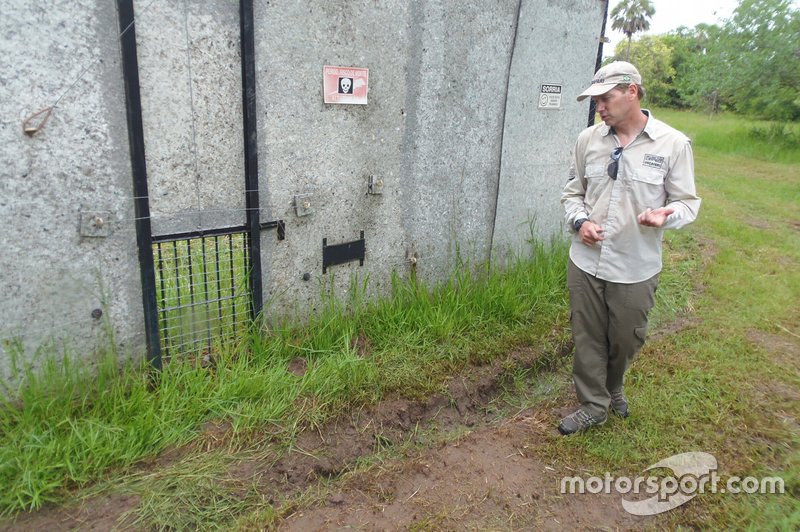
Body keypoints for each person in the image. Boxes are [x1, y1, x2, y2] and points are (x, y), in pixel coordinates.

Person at [558, 61, 701, 435]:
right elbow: (573, 193)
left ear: (631, 92)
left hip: (636, 265)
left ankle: (613, 384)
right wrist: (580, 222)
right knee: (587, 334)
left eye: (605, 99)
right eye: (595, 101)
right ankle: (594, 404)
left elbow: (687, 203)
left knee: (626, 336)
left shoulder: (672, 144)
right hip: (585, 261)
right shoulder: (588, 140)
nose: (599, 108)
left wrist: (666, 215)